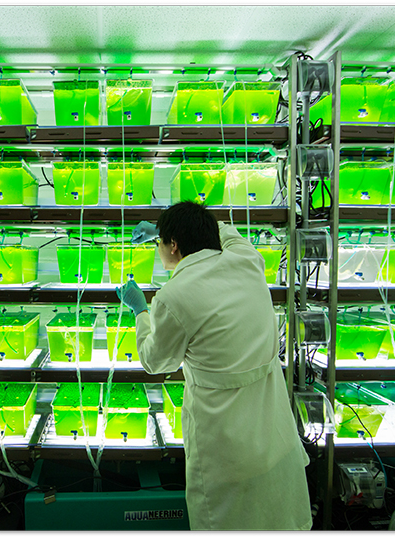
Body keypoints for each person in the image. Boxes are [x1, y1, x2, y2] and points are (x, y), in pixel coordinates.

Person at [117, 201, 312, 531]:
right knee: (279, 519)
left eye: (161, 243)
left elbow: (155, 361)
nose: (158, 249)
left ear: (174, 246)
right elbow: (222, 229)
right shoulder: (247, 259)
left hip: (225, 442)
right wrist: (162, 229)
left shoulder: (173, 296)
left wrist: (139, 310)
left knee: (228, 520)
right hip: (272, 426)